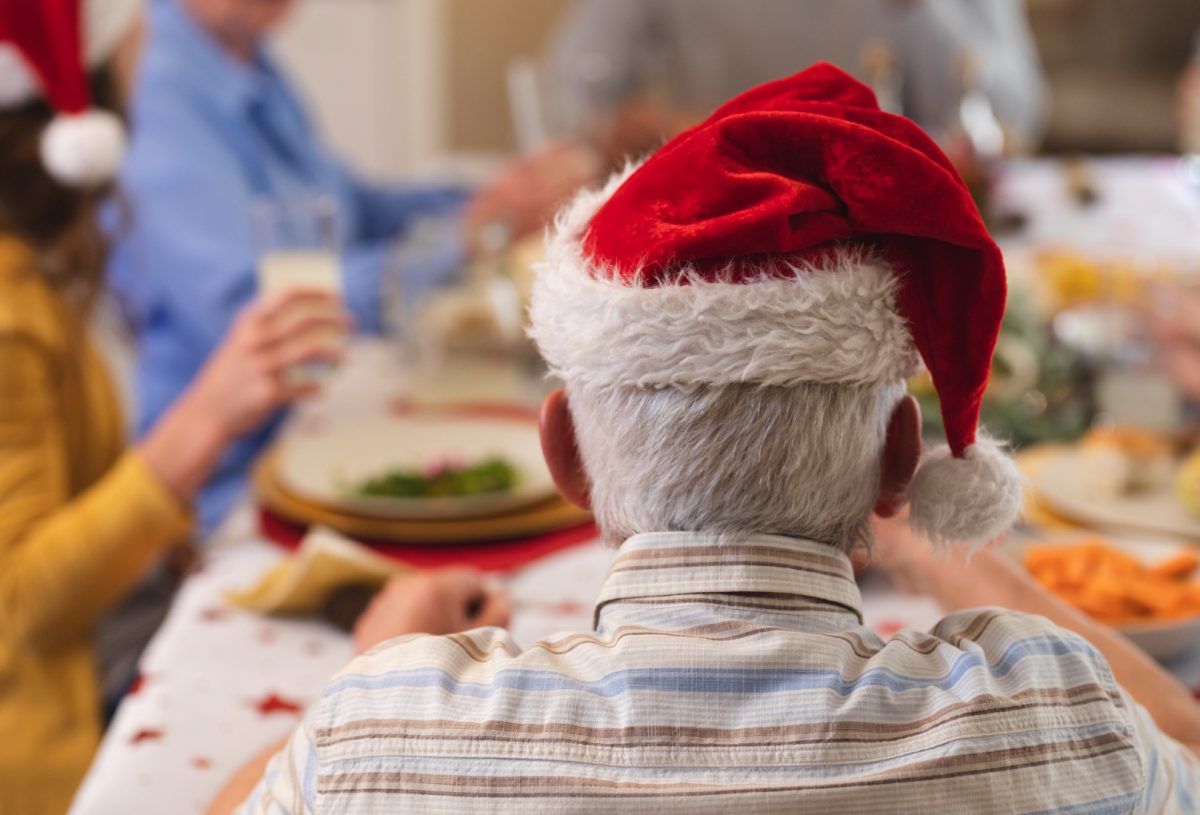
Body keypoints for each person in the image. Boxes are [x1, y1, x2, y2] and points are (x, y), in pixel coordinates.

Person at [219, 66, 1199, 812]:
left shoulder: (379, 739)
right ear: (904, 455)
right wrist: (935, 544)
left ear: (563, 455)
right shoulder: (1055, 719)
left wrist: (379, 656)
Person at [0, 2, 348, 812]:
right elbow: (20, 604)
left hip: (111, 630)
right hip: (51, 740)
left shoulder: (35, 272)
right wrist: (202, 422)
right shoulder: (10, 309)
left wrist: (157, 542)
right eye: (132, 57)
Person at [112, 0, 593, 533]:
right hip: (228, 480)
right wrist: (462, 237)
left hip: (307, 419)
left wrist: (490, 201)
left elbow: (354, 207)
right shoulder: (161, 91)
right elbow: (260, 314)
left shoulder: (243, 60)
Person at [543, 0, 1046, 163]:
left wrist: (928, 13)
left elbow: (1017, 115)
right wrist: (610, 127)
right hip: (710, 232)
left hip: (893, 240)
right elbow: (569, 89)